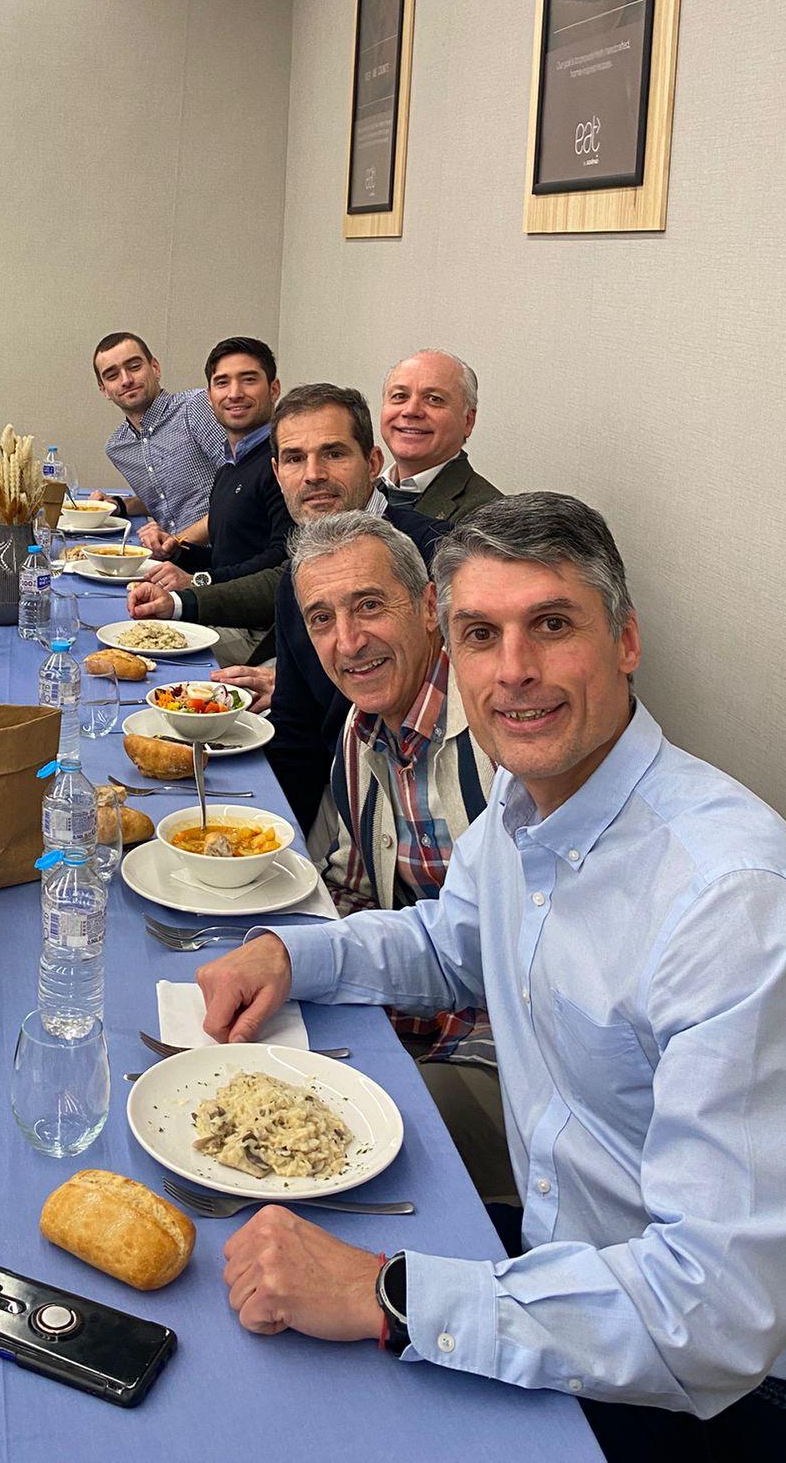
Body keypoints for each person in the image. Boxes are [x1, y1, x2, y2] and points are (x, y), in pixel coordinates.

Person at [197, 494, 786, 1461]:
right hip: (574, 1264)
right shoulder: (531, 796)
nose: (513, 671)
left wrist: (383, 1294)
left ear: (626, 640)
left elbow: (717, 1311)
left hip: (736, 1396)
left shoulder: (735, 904)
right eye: (480, 634)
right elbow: (447, 944)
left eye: (550, 625)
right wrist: (290, 952)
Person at [288, 508, 508, 1198]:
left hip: (505, 1049)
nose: (348, 641)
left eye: (369, 607)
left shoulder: (504, 729)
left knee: (325, 1156)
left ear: (428, 607)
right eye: (321, 619)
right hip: (412, 1014)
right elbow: (349, 887)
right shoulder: (362, 728)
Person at [128, 384, 445, 831]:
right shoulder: (302, 569)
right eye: (296, 458)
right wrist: (269, 838)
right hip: (344, 800)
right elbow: (297, 732)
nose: (313, 474)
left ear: (373, 464)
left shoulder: (438, 556)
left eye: (333, 453)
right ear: (277, 474)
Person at [137, 336, 288, 586]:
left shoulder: (283, 462)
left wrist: (198, 581)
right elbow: (225, 559)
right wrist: (176, 551)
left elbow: (280, 562)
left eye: (248, 380)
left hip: (249, 622)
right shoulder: (229, 468)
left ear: (274, 389)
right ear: (209, 397)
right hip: (221, 605)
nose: (234, 393)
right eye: (222, 383)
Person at [93, 331, 225, 554]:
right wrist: (119, 506)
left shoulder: (195, 407)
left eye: (134, 366)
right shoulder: (118, 447)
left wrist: (176, 541)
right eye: (112, 375)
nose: (126, 380)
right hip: (176, 556)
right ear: (104, 389)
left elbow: (242, 493)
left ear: (155, 368)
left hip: (222, 553)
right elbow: (167, 494)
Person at [379, 350, 502, 522]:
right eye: (400, 396)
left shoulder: (490, 516)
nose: (411, 410)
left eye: (434, 399)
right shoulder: (360, 491)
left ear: (468, 421)